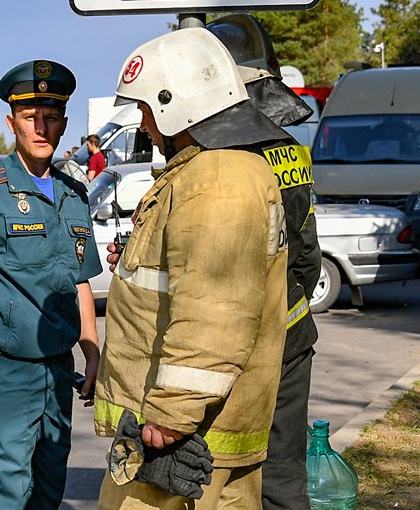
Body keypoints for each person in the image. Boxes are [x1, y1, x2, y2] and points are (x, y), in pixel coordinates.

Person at [95, 28, 288, 509]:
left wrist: (171, 413)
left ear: (173, 103)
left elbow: (216, 309)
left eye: (146, 109)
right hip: (196, 432)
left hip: (180, 439)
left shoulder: (217, 181)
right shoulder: (210, 172)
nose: (144, 125)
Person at [0, 60, 101, 510]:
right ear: (12, 123)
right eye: (30, 117)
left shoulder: (73, 195)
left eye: (51, 117)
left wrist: (92, 351)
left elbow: (80, 280)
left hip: (58, 371)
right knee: (2, 494)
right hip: (5, 373)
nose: (41, 128)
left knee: (48, 491)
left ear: (63, 123)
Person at [207, 14, 322, 510]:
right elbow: (308, 255)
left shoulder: (216, 156)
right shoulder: (290, 150)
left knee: (223, 476)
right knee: (282, 476)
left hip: (233, 346)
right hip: (292, 335)